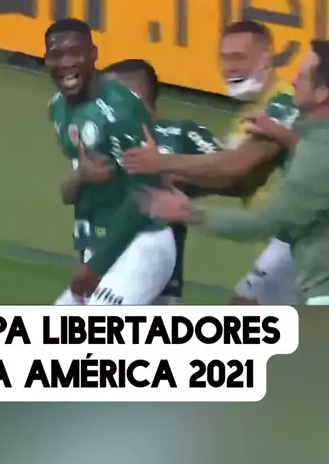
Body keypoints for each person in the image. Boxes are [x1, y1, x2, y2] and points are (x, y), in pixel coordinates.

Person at [137, 39, 329, 306]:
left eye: (302, 76)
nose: (294, 81)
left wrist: (186, 212)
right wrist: (286, 137)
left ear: (322, 93)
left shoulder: (317, 157)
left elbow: (265, 223)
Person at [123, 20, 302, 305]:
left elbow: (235, 168)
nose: (229, 67)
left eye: (238, 57)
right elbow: (230, 179)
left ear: (267, 58)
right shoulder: (249, 112)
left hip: (307, 235)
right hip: (281, 237)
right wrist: (173, 182)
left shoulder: (286, 104)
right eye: (224, 59)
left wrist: (162, 163)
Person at [61, 58, 219, 304]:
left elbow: (229, 171)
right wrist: (82, 176)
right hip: (99, 269)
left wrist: (168, 172)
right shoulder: (98, 138)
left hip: (150, 274)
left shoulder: (180, 135)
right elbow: (67, 194)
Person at [45, 18, 176, 306]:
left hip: (142, 244)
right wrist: (81, 177)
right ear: (46, 60)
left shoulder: (121, 111)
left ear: (93, 54)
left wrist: (96, 266)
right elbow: (73, 191)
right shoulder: (58, 108)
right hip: (101, 245)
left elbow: (147, 194)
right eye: (57, 55)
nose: (66, 62)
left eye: (75, 52)